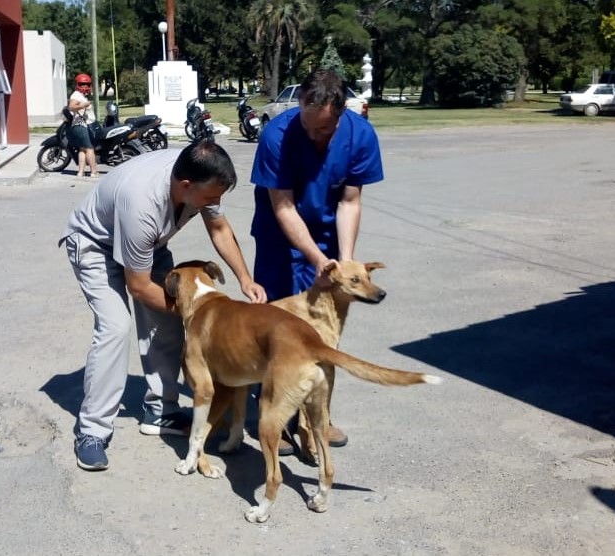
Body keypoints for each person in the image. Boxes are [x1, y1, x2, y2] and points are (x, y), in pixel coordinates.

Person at [60, 140, 267, 471]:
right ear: (185, 186)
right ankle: (92, 432)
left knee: (169, 321)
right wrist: (199, 314)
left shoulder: (201, 176)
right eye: (211, 198)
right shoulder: (142, 203)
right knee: (116, 327)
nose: (215, 203)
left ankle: (161, 411)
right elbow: (139, 287)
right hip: (95, 244)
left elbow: (219, 227)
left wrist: (245, 279)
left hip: (148, 245)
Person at [249, 69, 384, 453]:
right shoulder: (277, 135)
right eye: (308, 127)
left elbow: (350, 201)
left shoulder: (360, 135)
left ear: (340, 114)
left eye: (322, 131)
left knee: (322, 336)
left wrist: (342, 263)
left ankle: (315, 420)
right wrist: (316, 259)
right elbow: (283, 205)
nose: (313, 136)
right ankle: (277, 416)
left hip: (328, 235)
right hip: (280, 240)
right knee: (279, 331)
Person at [67, 73, 99, 178]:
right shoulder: (76, 95)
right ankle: (94, 171)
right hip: (81, 125)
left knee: (82, 149)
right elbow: (71, 107)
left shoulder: (81, 95)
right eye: (82, 84)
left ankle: (80, 172)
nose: (85, 87)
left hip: (79, 126)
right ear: (77, 84)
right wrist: (84, 104)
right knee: (89, 148)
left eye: (87, 84)